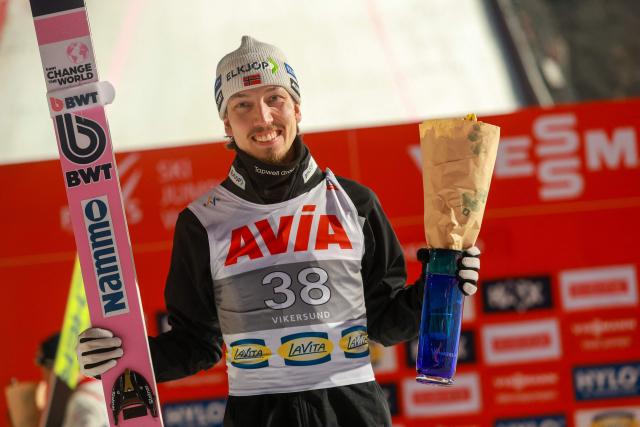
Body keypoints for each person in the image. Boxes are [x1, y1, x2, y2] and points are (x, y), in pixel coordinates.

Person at [76, 36, 482, 426]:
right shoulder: (202, 222)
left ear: (297, 108)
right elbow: (197, 344)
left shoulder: (354, 204)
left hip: (353, 414)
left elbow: (384, 322)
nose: (263, 118)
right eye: (243, 105)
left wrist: (440, 284)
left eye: (275, 99)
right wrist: (123, 358)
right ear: (226, 124)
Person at [36, 333, 109, 427]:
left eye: (40, 361)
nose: (41, 371)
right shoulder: (102, 383)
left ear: (52, 365)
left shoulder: (80, 401)